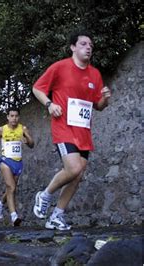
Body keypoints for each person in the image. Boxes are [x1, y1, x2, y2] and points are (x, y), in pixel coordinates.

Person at [32, 30, 111, 230]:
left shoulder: (94, 74)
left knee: (78, 175)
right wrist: (50, 104)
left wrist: (105, 98)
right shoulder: (60, 67)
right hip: (63, 127)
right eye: (84, 44)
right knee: (73, 168)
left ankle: (57, 216)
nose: (88, 48)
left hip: (83, 131)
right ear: (73, 47)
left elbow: (98, 106)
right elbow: (37, 88)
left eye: (91, 45)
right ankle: (45, 194)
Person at [0, 108, 34, 226]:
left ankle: (0, 203)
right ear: (8, 117)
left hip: (18, 162)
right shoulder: (1, 129)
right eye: (12, 116)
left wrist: (27, 140)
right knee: (11, 187)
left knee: (11, 188)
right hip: (5, 160)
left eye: (16, 116)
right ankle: (14, 216)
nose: (14, 118)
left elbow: (32, 144)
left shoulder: (23, 129)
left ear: (18, 117)